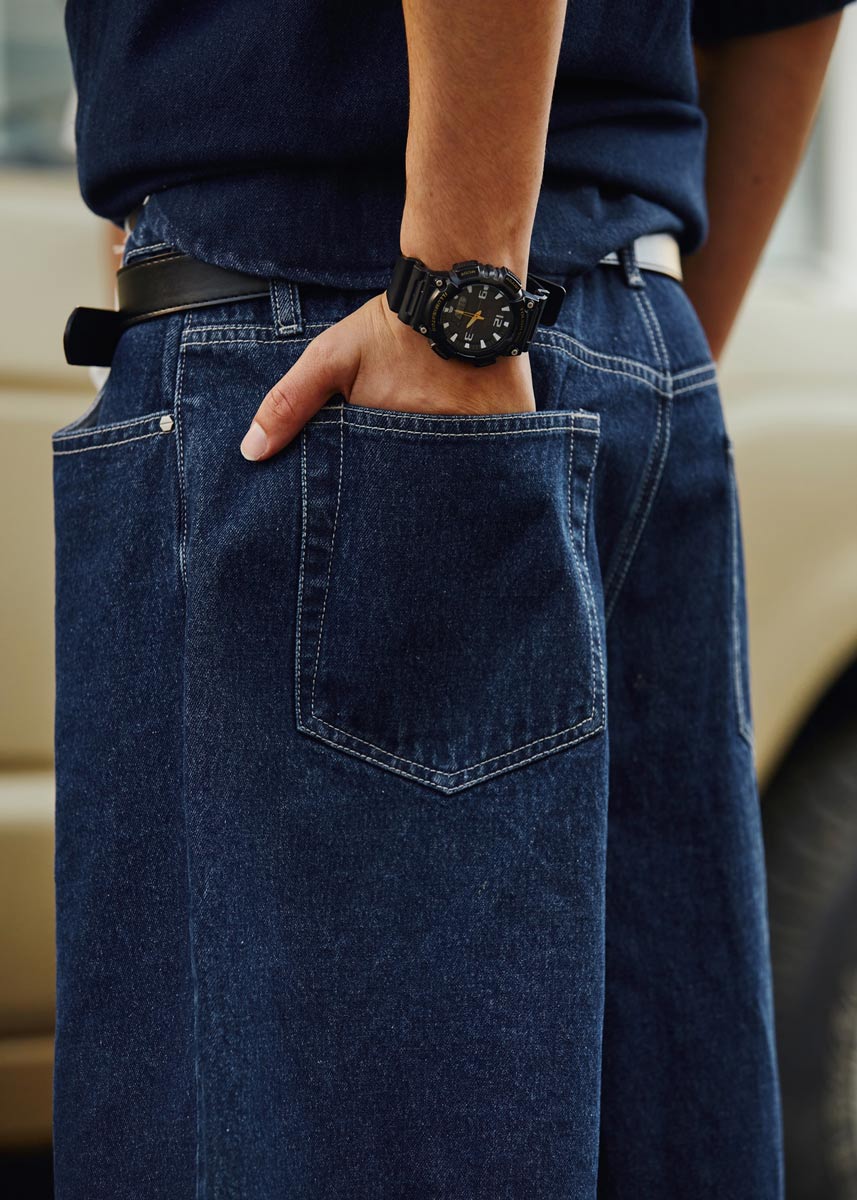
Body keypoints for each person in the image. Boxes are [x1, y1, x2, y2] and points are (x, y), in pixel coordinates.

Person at [52, 2, 850, 1197]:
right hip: (595, 325)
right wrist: (608, 348)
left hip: (353, 336)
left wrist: (462, 298)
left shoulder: (439, 316)